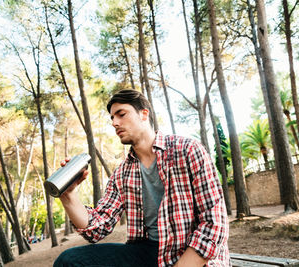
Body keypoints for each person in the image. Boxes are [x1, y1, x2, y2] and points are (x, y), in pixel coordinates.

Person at [54, 89, 230, 267]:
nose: (115, 123)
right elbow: (97, 228)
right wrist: (68, 195)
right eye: (112, 118)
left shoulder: (188, 150)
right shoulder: (122, 172)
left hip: (191, 254)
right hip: (148, 251)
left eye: (121, 114)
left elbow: (214, 223)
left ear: (144, 114)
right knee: (69, 261)